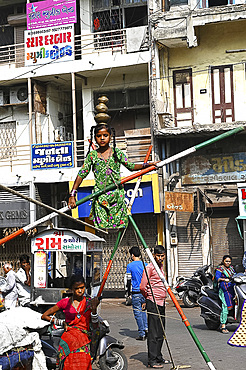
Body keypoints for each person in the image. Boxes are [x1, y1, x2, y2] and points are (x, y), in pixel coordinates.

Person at [68, 123, 156, 229]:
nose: (102, 138)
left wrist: (147, 165)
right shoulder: (92, 156)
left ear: (110, 137)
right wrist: (72, 194)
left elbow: (131, 166)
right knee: (101, 228)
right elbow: (82, 174)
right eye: (99, 136)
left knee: (119, 226)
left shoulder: (116, 153)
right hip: (101, 196)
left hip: (116, 195)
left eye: (105, 135)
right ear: (95, 138)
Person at [41, 275, 99, 370]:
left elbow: (95, 324)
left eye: (82, 288)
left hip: (83, 340)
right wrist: (61, 323)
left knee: (83, 364)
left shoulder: (90, 303)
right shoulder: (65, 302)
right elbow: (44, 315)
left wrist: (94, 310)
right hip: (69, 339)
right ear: (71, 289)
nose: (80, 291)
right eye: (77, 288)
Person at [140, 245, 169, 369]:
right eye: (158, 256)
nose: (161, 258)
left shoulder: (161, 267)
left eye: (163, 256)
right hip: (153, 302)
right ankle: (152, 360)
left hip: (161, 302)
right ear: (154, 255)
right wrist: (148, 297)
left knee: (161, 331)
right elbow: (142, 286)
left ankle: (158, 356)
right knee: (153, 332)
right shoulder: (150, 267)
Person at [126, 246, 148, 340]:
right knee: (143, 311)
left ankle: (142, 333)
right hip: (145, 292)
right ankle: (146, 329)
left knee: (138, 313)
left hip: (136, 292)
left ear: (132, 255)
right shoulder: (146, 264)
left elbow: (128, 280)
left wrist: (127, 292)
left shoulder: (130, 266)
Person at [214, 255, 235, 334]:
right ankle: (223, 325)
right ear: (223, 261)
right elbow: (217, 278)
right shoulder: (219, 269)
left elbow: (235, 275)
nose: (228, 263)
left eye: (229, 261)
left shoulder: (231, 268)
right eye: (226, 261)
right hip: (223, 289)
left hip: (232, 288)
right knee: (225, 306)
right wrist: (224, 279)